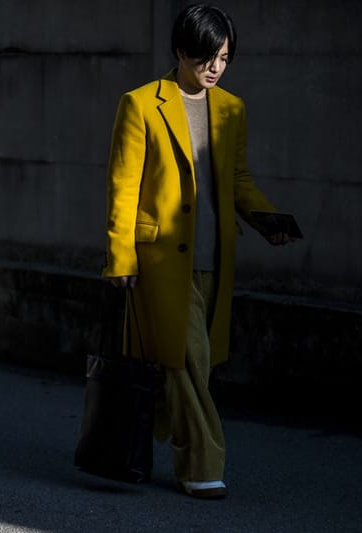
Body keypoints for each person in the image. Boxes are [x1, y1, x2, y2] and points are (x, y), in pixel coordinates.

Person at [103, 4, 296, 499]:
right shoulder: (141, 103)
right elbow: (123, 187)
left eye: (225, 58)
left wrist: (265, 219)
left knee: (193, 363)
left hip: (215, 258)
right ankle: (204, 467)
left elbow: (236, 180)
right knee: (187, 360)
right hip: (158, 262)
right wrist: (120, 257)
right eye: (206, 57)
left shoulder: (231, 108)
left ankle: (153, 441)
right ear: (181, 52)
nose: (215, 67)